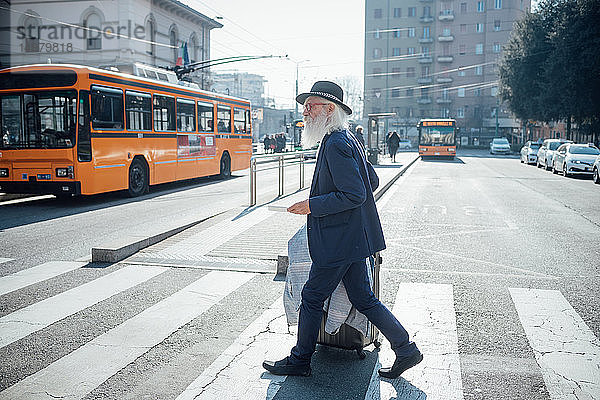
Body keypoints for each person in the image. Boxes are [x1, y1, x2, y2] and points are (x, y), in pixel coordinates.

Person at [262, 80, 422, 378]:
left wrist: (312, 205)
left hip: (338, 242)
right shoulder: (346, 138)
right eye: (305, 107)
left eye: (310, 106)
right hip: (352, 239)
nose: (305, 112)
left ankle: (300, 360)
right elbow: (370, 182)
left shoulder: (335, 143)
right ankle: (406, 350)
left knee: (311, 297)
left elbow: (355, 194)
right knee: (364, 299)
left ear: (329, 109)